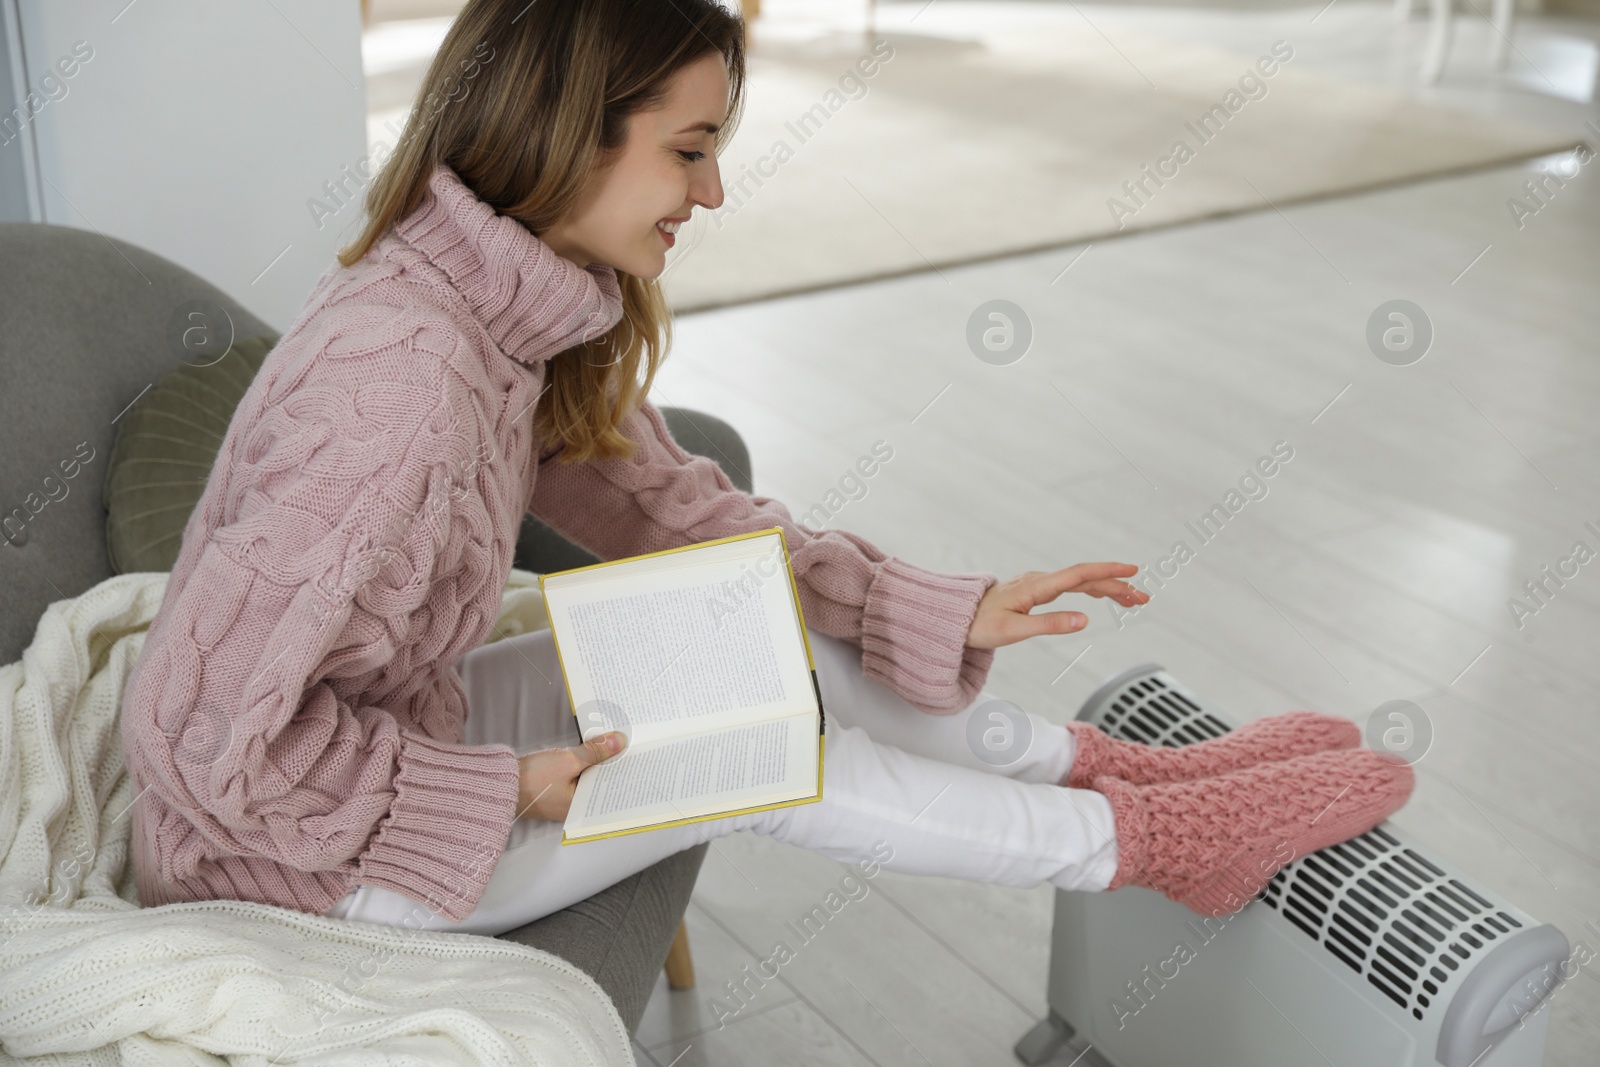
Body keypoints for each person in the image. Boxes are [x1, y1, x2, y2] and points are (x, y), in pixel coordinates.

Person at [118, 0, 1413, 939]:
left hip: (399, 742)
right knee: (755, 753)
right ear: (570, 132)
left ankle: (1117, 773)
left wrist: (936, 606)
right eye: (689, 149)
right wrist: (499, 789)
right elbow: (196, 737)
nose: (717, 189)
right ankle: (1151, 846)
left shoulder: (505, 310)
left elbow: (685, 523)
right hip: (299, 860)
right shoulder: (401, 384)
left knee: (763, 628)